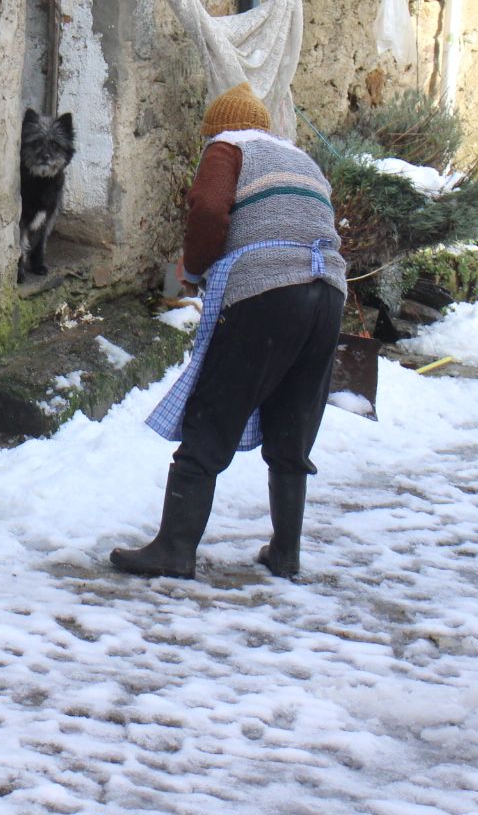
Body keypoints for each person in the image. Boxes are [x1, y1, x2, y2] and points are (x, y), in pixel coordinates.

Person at [110, 82, 347, 582]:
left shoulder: (227, 148)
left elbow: (209, 210)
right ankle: (285, 552)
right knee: (292, 425)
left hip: (267, 292)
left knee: (213, 415)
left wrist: (194, 268)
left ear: (216, 129)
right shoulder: (300, 159)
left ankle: (174, 549)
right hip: (328, 292)